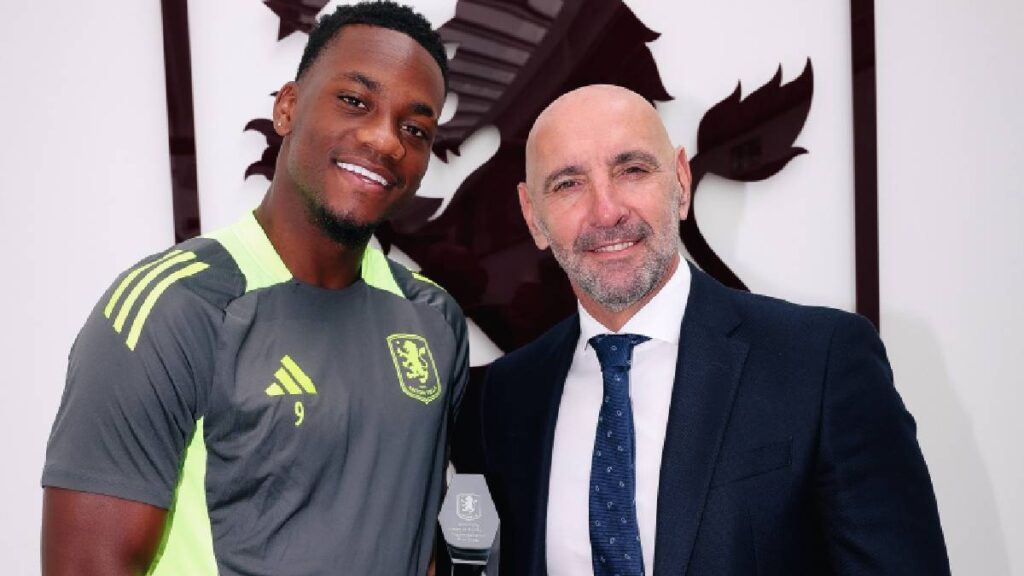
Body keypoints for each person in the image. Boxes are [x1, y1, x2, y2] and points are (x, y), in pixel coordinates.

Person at [41, 3, 467, 575]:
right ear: (287, 107)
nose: (385, 140)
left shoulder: (434, 319)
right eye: (355, 101)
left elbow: (417, 538)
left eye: (414, 128)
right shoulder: (173, 308)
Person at [478, 84, 950, 575]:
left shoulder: (821, 361)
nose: (607, 211)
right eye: (568, 184)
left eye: (633, 170)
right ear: (533, 215)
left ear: (680, 182)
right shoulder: (510, 395)